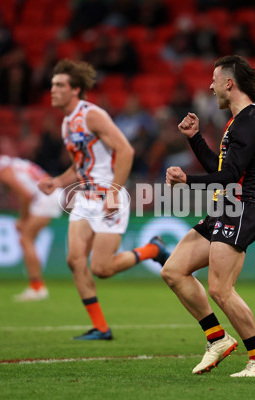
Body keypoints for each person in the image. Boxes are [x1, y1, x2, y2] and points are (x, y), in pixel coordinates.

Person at [163, 55, 255, 378]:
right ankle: (217, 338)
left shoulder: (250, 123)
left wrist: (187, 181)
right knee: (173, 271)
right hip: (223, 210)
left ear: (229, 83)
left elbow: (229, 177)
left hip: (238, 211)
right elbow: (222, 169)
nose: (209, 86)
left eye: (214, 80)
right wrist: (194, 138)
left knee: (220, 289)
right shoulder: (239, 121)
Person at [38, 59, 170, 340]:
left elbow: (126, 151)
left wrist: (113, 192)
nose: (53, 90)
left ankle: (153, 250)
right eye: (52, 85)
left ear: (76, 90)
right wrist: (58, 181)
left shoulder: (91, 115)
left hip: (107, 197)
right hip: (84, 198)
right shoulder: (66, 124)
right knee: (75, 260)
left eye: (60, 85)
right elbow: (80, 164)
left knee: (102, 268)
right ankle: (100, 328)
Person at [0, 140, 64, 301]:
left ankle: (37, 287)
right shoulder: (5, 163)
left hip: (46, 197)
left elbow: (25, 195)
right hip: (48, 194)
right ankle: (36, 286)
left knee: (26, 238)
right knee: (26, 239)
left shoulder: (1, 170)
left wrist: (23, 218)